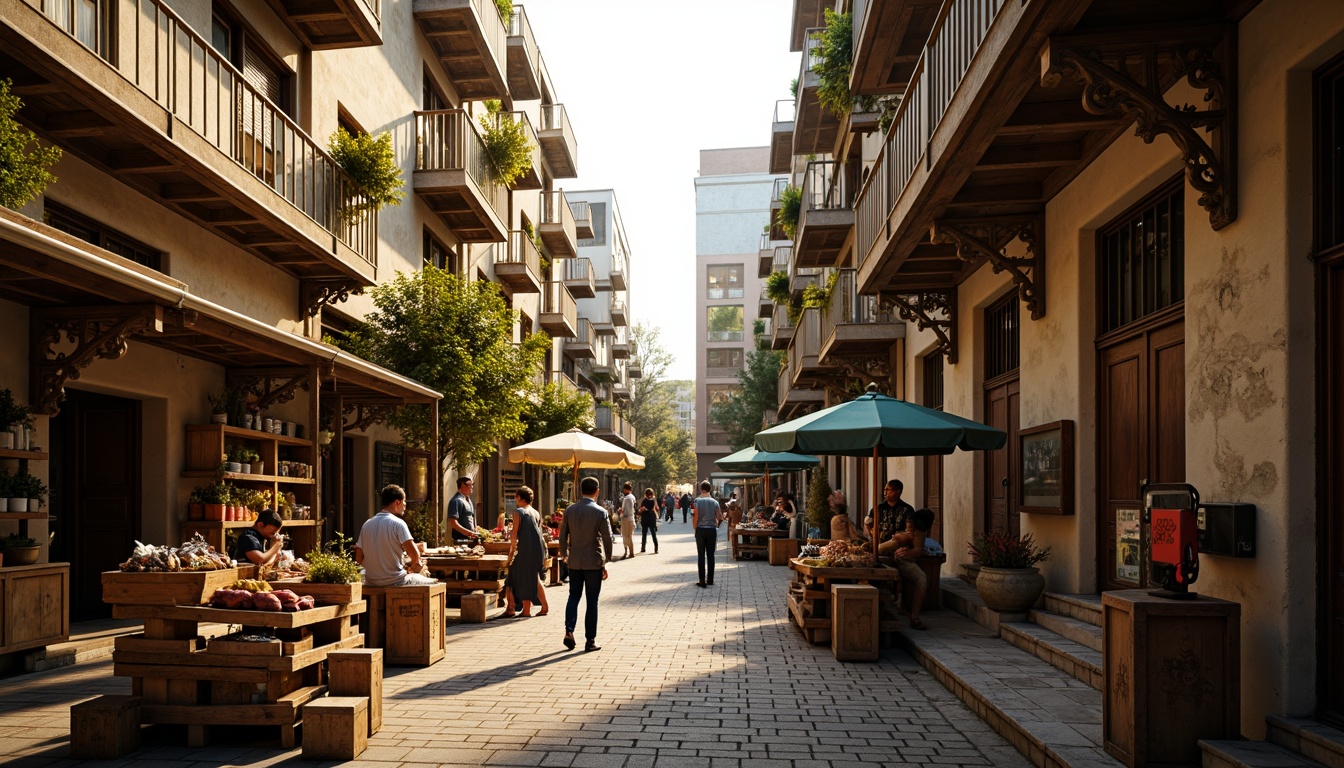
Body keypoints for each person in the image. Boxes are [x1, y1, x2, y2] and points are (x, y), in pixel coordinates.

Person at [558, 476, 613, 652]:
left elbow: (562, 535)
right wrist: (607, 559)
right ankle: (590, 640)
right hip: (593, 562)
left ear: (581, 490)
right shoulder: (600, 512)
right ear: (597, 491)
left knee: (573, 596)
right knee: (592, 601)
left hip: (574, 561)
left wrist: (564, 554)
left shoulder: (570, 510)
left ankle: (569, 630)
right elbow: (607, 538)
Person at [354, 485, 437, 587]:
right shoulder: (398, 524)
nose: (405, 505)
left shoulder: (367, 524)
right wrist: (413, 566)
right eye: (404, 501)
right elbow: (415, 556)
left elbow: (359, 558)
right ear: (398, 502)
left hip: (371, 581)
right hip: (395, 581)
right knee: (435, 582)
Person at [880, 508, 934, 630]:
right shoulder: (911, 523)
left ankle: (914, 617)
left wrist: (908, 553)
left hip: (904, 560)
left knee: (922, 580)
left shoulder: (920, 530)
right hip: (890, 556)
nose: (909, 529)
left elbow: (918, 550)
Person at [502, 486, 548, 618]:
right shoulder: (535, 512)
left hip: (526, 549)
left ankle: (524, 610)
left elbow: (514, 534)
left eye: (516, 497)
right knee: (534, 576)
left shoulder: (518, 512)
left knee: (521, 577)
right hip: (537, 548)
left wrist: (511, 552)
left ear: (519, 498)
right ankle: (544, 606)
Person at [692, 480, 724, 587]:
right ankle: (710, 579)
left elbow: (695, 516)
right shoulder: (715, 502)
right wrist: (717, 525)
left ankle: (702, 579)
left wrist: (695, 528)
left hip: (701, 529)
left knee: (701, 555)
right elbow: (720, 517)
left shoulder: (697, 501)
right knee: (711, 554)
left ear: (701, 489)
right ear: (710, 490)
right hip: (711, 530)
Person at [866, 479, 915, 547]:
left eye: (888, 490)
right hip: (878, 542)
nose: (885, 493)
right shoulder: (879, 508)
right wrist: (870, 534)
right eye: (884, 490)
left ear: (898, 491)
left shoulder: (907, 509)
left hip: (896, 544)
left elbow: (909, 532)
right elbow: (868, 524)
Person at [446, 476, 477, 542]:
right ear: (462, 485)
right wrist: (469, 533)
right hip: (460, 540)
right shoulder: (456, 501)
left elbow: (472, 517)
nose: (472, 487)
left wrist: (475, 529)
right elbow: (453, 523)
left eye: (472, 484)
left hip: (470, 539)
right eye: (469, 484)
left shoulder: (468, 500)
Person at [618, 482, 637, 559]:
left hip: (626, 520)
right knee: (629, 536)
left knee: (626, 536)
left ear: (626, 489)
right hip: (631, 519)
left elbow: (626, 512)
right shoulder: (632, 497)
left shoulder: (627, 498)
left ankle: (627, 552)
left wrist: (620, 512)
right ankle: (631, 552)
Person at [639, 488, 660, 554]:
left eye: (649, 494)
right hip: (650, 518)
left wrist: (643, 509)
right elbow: (657, 508)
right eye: (649, 494)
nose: (649, 495)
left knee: (645, 534)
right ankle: (655, 548)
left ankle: (643, 548)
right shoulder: (653, 500)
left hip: (646, 518)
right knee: (652, 533)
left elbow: (640, 509)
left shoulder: (644, 500)